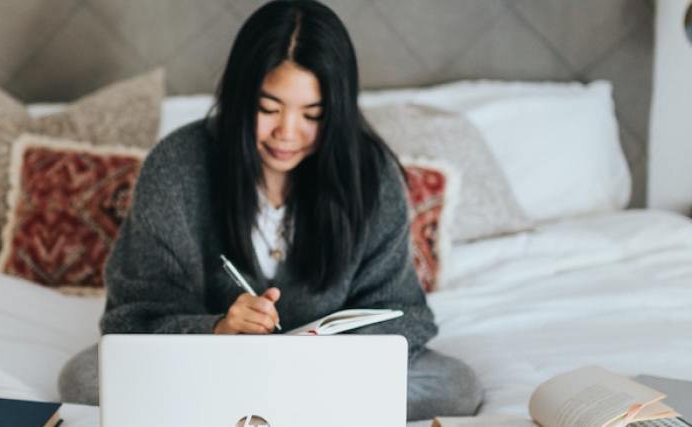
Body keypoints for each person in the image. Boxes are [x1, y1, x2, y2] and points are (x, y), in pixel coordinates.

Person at [57, 0, 482, 420]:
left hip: (327, 372)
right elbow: (133, 317)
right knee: (86, 378)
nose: (287, 133)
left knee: (455, 385)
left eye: (313, 115)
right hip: (208, 362)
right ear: (240, 97)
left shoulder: (371, 176)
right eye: (268, 109)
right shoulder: (176, 166)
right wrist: (218, 328)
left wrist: (326, 352)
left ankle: (256, 409)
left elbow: (403, 313)